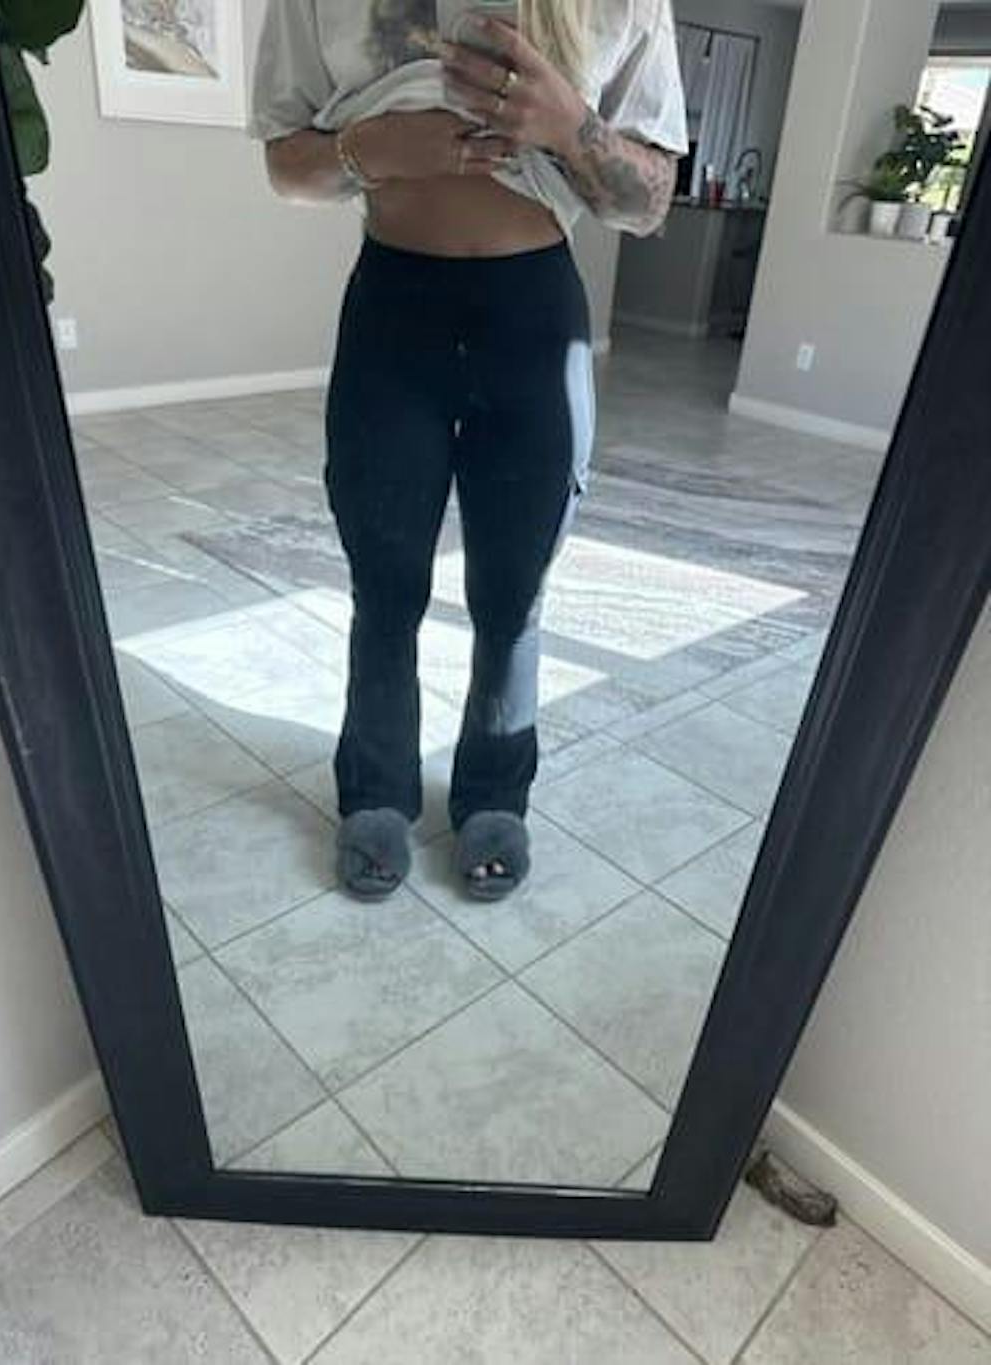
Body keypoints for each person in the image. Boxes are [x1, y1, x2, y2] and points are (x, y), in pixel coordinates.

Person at [249, 0, 688, 902]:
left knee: (513, 592)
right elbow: (286, 165)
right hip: (393, 312)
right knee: (385, 584)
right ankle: (375, 790)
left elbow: (649, 202)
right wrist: (371, 149)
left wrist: (568, 124)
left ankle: (495, 793)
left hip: (535, 320)